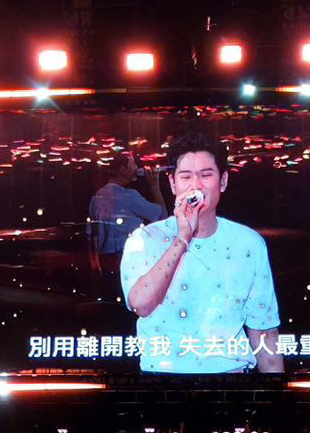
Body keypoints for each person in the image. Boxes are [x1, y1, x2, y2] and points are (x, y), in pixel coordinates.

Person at [119, 132, 281, 375]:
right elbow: (140, 304)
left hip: (232, 379)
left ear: (223, 181)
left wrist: (276, 393)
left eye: (206, 175)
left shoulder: (249, 243)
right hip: (161, 380)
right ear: (172, 183)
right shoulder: (145, 239)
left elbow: (264, 330)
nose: (195, 186)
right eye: (186, 177)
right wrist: (182, 238)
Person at [87, 153, 166, 257]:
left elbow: (92, 237)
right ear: (123, 169)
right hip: (127, 256)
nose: (137, 167)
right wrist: (155, 187)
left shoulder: (97, 196)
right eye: (133, 164)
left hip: (104, 258)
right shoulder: (128, 196)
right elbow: (162, 217)